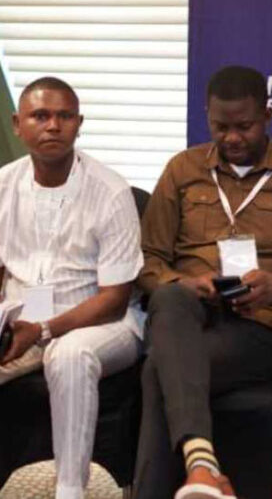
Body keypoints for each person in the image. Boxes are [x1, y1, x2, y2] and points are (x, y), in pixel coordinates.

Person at [133, 66, 272, 499]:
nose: (232, 138)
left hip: (261, 327)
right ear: (207, 117)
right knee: (171, 296)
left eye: (244, 126)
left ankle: (198, 470)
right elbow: (148, 261)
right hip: (189, 316)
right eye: (220, 127)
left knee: (157, 369)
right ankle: (203, 471)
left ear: (268, 115)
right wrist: (185, 282)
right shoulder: (182, 170)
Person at [0, 77, 143, 499]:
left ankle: (70, 490)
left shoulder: (110, 191)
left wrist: (42, 331)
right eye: (40, 116)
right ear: (17, 124)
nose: (53, 126)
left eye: (64, 116)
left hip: (101, 323)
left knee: (70, 355)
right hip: (22, 319)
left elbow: (114, 299)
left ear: (79, 124)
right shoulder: (3, 185)